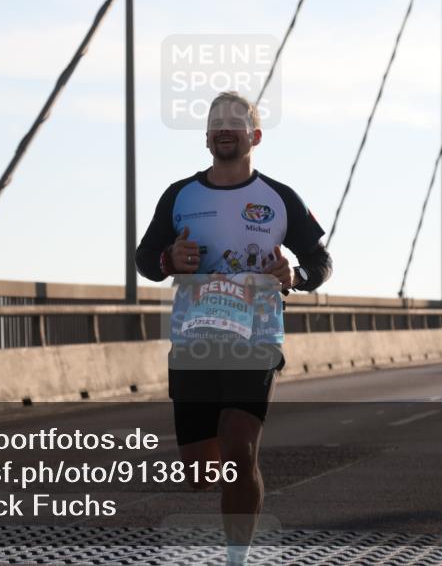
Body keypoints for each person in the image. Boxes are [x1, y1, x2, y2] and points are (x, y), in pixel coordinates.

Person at [135, 91, 332, 566]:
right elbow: (145, 259)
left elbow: (320, 261)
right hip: (194, 340)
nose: (225, 128)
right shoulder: (180, 196)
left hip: (256, 337)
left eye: (236, 122)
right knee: (201, 473)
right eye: (216, 122)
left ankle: (236, 558)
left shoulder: (279, 198)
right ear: (206, 137)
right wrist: (168, 259)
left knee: (240, 449)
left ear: (255, 136)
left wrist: (295, 276)